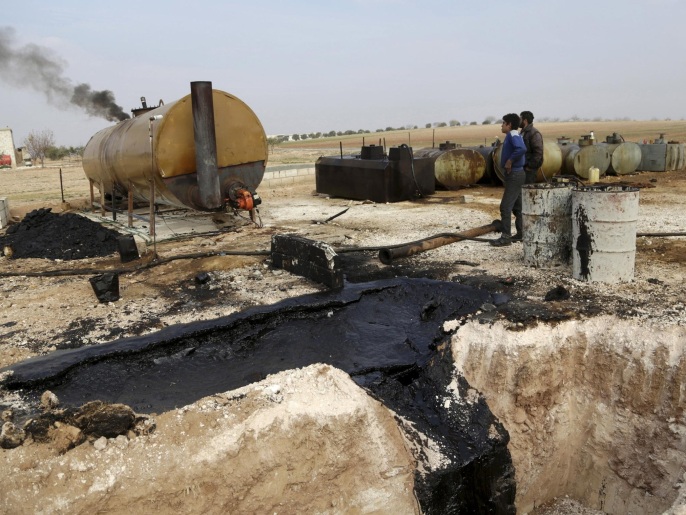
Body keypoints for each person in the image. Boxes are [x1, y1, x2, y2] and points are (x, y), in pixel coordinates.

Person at [491, 113, 527, 247]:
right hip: (516, 175)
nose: (501, 125)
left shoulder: (513, 134)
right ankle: (521, 233)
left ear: (509, 125)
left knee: (505, 207)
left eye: (503, 123)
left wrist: (510, 161)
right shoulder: (513, 135)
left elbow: (522, 149)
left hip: (515, 175)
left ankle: (506, 237)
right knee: (518, 206)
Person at [519, 110, 544, 184]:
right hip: (523, 166)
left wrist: (530, 166)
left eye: (520, 119)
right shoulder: (523, 132)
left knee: (528, 190)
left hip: (529, 169)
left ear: (525, 120)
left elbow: (538, 152)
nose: (519, 121)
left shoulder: (534, 133)